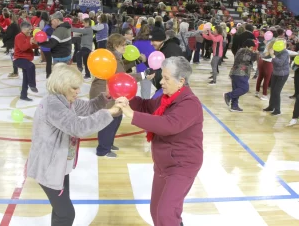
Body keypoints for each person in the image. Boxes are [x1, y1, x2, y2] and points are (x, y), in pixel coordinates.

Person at [27, 64, 120, 226]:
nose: (78, 91)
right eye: (74, 88)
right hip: (48, 168)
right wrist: (109, 113)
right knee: (66, 214)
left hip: (58, 166)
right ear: (63, 85)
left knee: (60, 211)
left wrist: (106, 97)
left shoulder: (65, 100)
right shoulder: (53, 104)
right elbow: (78, 127)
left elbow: (88, 107)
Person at [115, 56, 203, 226]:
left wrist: (132, 115)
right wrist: (124, 97)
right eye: (162, 76)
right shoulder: (165, 98)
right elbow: (147, 106)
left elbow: (168, 125)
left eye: (166, 78)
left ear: (181, 81)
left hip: (182, 165)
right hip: (163, 163)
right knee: (156, 211)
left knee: (166, 213)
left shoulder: (190, 104)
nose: (161, 81)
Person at [89, 33, 153, 158]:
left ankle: (108, 143)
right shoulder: (111, 58)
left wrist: (134, 61)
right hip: (104, 92)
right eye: (123, 45)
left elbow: (122, 67)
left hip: (111, 92)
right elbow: (122, 76)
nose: (125, 48)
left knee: (116, 118)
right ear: (116, 45)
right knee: (108, 121)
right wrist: (143, 75)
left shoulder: (114, 57)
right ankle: (103, 149)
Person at [223, 39, 258, 112]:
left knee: (236, 90)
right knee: (244, 88)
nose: (252, 49)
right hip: (241, 73)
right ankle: (228, 95)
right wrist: (255, 54)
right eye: (251, 47)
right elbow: (248, 58)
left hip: (235, 72)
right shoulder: (245, 51)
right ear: (247, 46)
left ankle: (234, 106)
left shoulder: (240, 50)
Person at [13, 21, 39, 101]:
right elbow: (23, 48)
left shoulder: (28, 36)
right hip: (19, 59)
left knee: (26, 78)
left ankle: (23, 95)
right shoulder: (19, 36)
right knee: (31, 66)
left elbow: (33, 46)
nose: (30, 30)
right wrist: (30, 42)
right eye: (29, 29)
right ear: (23, 29)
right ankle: (32, 85)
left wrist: (35, 43)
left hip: (25, 60)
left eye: (30, 29)